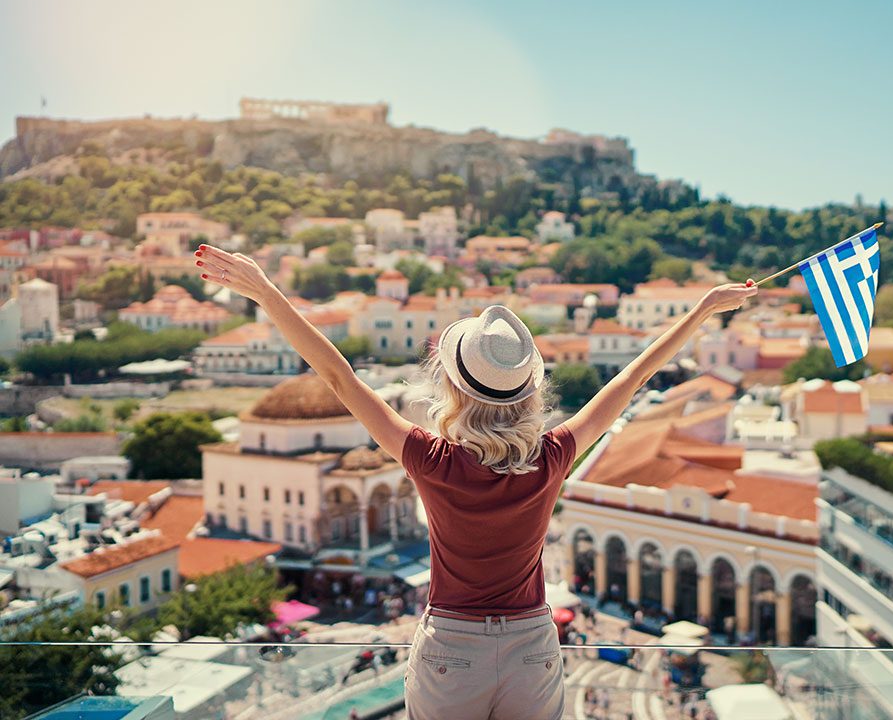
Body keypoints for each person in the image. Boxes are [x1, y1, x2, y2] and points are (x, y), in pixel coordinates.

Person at [193, 243, 755, 720]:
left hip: (451, 646)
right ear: (527, 391)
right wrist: (703, 309)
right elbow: (634, 377)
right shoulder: (552, 456)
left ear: (456, 387)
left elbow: (339, 377)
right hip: (532, 646)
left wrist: (266, 293)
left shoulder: (431, 459)